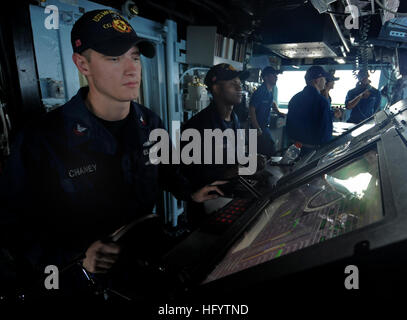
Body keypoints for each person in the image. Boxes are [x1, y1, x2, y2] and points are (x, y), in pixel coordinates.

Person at [0, 9, 223, 300]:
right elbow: (14, 225)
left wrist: (191, 192)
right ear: (82, 64)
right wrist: (76, 256)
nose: (132, 69)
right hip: (82, 281)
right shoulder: (43, 139)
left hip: (144, 263)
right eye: (114, 58)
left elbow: (167, 172)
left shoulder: (150, 123)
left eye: (134, 56)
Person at [180, 63, 250, 230]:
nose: (239, 86)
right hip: (207, 209)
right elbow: (192, 177)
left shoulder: (234, 119)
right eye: (232, 83)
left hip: (230, 198)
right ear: (216, 89)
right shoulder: (197, 127)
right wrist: (239, 168)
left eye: (239, 82)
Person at [286, 66, 333, 155]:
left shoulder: (295, 98)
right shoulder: (322, 101)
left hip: (294, 148)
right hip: (313, 151)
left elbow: (289, 126)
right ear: (317, 80)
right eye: (324, 78)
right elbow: (326, 133)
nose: (326, 81)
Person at [249, 66, 284, 157]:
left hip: (265, 128)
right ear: (265, 77)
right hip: (258, 129)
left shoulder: (269, 91)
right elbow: (251, 110)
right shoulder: (260, 92)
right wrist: (257, 128)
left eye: (276, 75)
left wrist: (279, 112)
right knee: (260, 156)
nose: (276, 77)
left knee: (270, 152)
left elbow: (272, 102)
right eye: (273, 75)